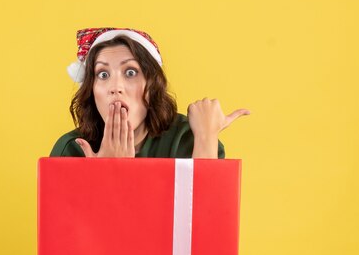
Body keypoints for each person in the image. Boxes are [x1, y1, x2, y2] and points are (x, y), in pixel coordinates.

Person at [50, 27, 249, 159]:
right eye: (102, 74)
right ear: (91, 90)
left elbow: (209, 219)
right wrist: (107, 172)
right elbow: (66, 224)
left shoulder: (188, 139)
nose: (115, 86)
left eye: (130, 72)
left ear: (152, 86)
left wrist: (206, 139)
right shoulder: (72, 150)